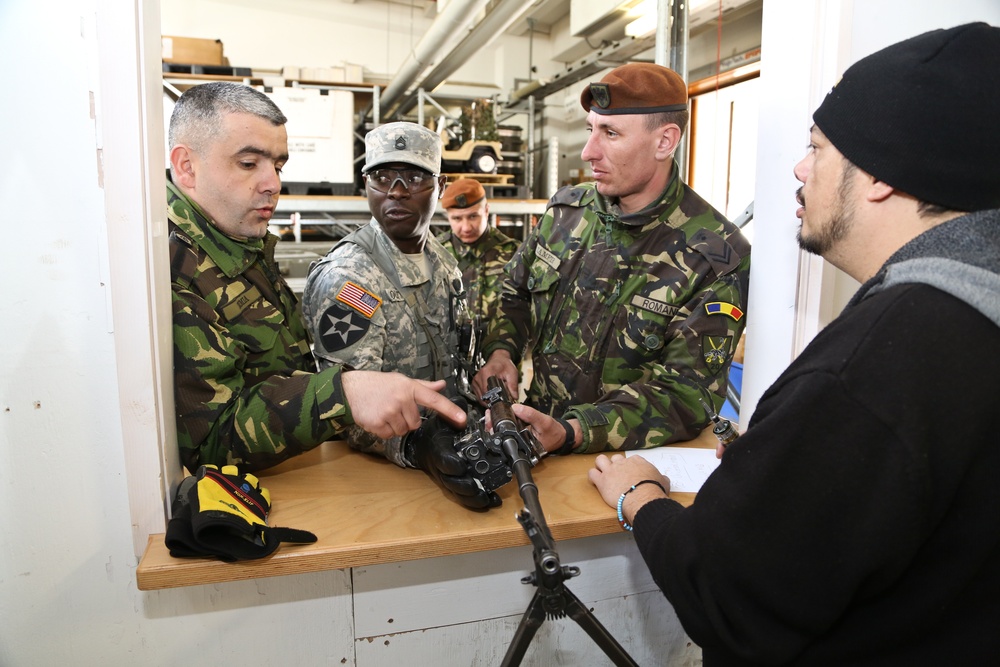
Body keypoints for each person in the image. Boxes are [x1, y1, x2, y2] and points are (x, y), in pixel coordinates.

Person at [589, 22, 1000, 664]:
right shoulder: (971, 310)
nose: (800, 167)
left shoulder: (881, 358)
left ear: (883, 174)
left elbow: (728, 594)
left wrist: (639, 498)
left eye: (819, 148)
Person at [168, 83, 465, 475]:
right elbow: (210, 439)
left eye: (277, 166)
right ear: (187, 166)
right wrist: (345, 392)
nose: (273, 183)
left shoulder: (239, 243)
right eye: (248, 163)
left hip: (297, 473)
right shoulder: (174, 268)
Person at [473, 62, 751, 456]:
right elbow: (513, 292)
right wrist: (503, 352)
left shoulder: (713, 258)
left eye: (611, 133)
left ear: (665, 142)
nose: (588, 151)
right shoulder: (566, 213)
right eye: (591, 129)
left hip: (626, 463)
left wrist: (573, 432)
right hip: (532, 438)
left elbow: (685, 394)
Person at [302, 122, 497, 509]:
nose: (396, 190)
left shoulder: (441, 259)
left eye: (413, 177)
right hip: (383, 480)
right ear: (366, 186)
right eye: (382, 176)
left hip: (458, 444)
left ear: (439, 187)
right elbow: (347, 410)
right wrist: (418, 446)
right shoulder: (349, 278)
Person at [436, 177, 520, 361]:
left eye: (473, 216)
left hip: (497, 360)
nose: (466, 227)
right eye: (457, 218)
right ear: (447, 217)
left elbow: (520, 313)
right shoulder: (436, 253)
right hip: (448, 362)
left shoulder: (512, 253)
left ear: (487, 211)